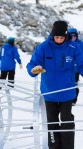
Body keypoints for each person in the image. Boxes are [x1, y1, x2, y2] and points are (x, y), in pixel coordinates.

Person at [26, 20, 83, 149]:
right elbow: (32, 63)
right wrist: (33, 70)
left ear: (66, 36)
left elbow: (82, 64)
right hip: (49, 92)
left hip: (66, 92)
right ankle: (54, 146)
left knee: (66, 119)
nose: (58, 40)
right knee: (51, 120)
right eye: (56, 37)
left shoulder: (73, 47)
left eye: (61, 37)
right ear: (52, 35)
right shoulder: (43, 47)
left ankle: (67, 147)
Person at [68, 28, 83, 105]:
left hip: (77, 68)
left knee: (75, 84)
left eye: (74, 36)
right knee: (67, 84)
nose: (73, 37)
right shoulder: (66, 43)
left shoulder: (80, 44)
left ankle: (74, 100)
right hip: (67, 68)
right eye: (71, 35)